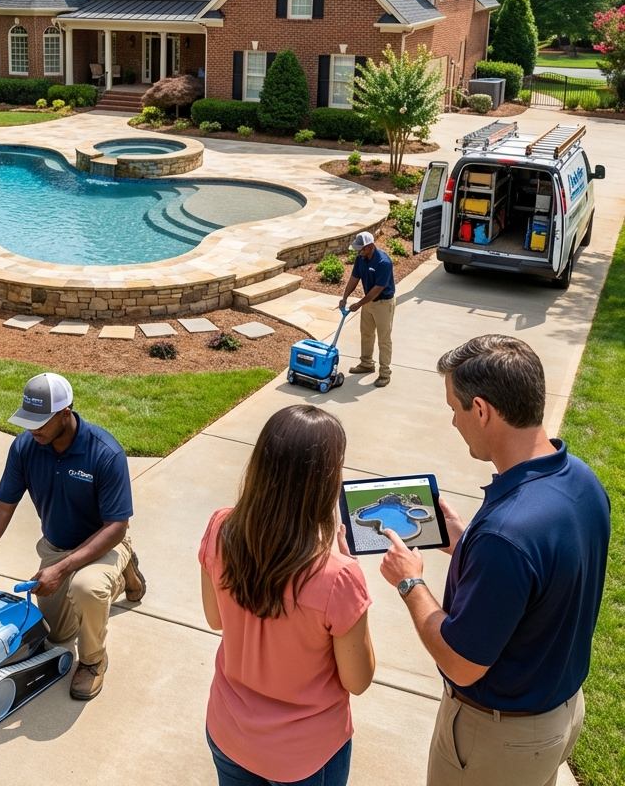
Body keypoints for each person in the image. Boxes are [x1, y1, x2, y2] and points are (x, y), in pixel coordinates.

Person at [379, 335, 610, 786]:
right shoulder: (582, 480)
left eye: (455, 408)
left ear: (481, 410)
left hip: (498, 742)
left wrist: (411, 585)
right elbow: (539, 577)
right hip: (557, 716)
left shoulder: (507, 534)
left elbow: (463, 663)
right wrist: (466, 541)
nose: (452, 420)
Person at [200, 405, 376, 786]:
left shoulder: (220, 527)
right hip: (304, 758)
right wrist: (351, 576)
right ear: (325, 479)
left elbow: (215, 619)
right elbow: (358, 680)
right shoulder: (339, 577)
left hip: (229, 733)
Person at [0, 372, 146, 701]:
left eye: (41, 421)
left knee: (87, 588)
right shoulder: (26, 447)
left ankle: (94, 662)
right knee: (57, 634)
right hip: (56, 548)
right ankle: (123, 578)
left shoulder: (105, 453)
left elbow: (116, 526)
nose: (33, 428)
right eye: (29, 420)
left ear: (66, 412)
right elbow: (1, 506)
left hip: (104, 544)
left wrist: (64, 570)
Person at [340, 230, 396, 388]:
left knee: (384, 339)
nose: (360, 252)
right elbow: (354, 278)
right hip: (368, 302)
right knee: (366, 334)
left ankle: (385, 373)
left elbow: (377, 289)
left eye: (362, 249)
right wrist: (344, 297)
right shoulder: (361, 258)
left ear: (371, 245)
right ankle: (366, 364)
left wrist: (359, 303)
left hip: (384, 303)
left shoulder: (383, 262)